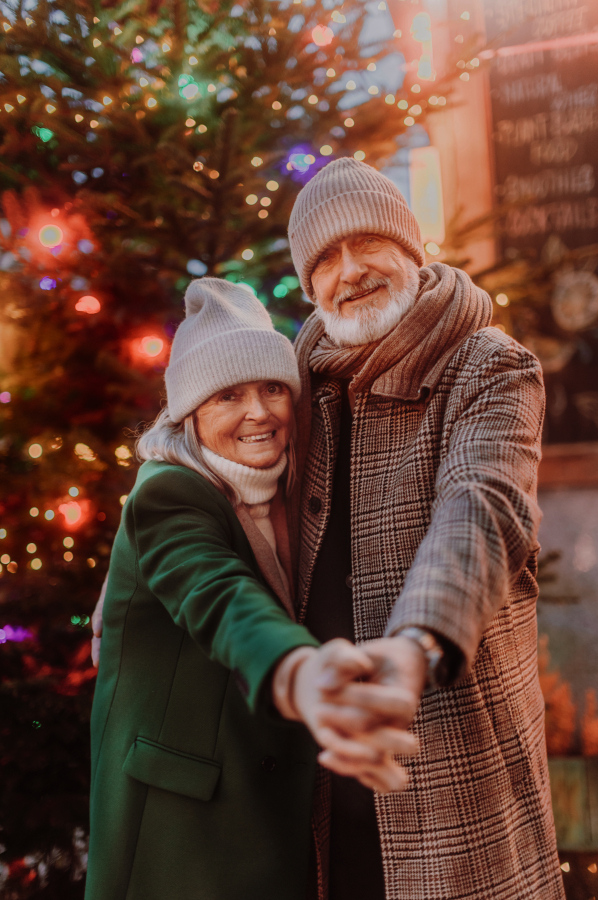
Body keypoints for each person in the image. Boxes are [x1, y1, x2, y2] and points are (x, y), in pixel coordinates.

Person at [284, 157, 566, 900]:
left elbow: (483, 507)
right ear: (309, 285)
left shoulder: (489, 365)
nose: (349, 272)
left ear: (413, 249)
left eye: (367, 243)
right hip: (327, 778)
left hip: (455, 773)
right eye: (324, 260)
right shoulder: (294, 385)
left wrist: (417, 644)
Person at [85, 277, 419, 900]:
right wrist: (299, 672)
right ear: (190, 412)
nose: (258, 412)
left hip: (273, 818)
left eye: (272, 388)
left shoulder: (296, 486)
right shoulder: (170, 492)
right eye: (228, 395)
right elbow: (219, 597)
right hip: (179, 830)